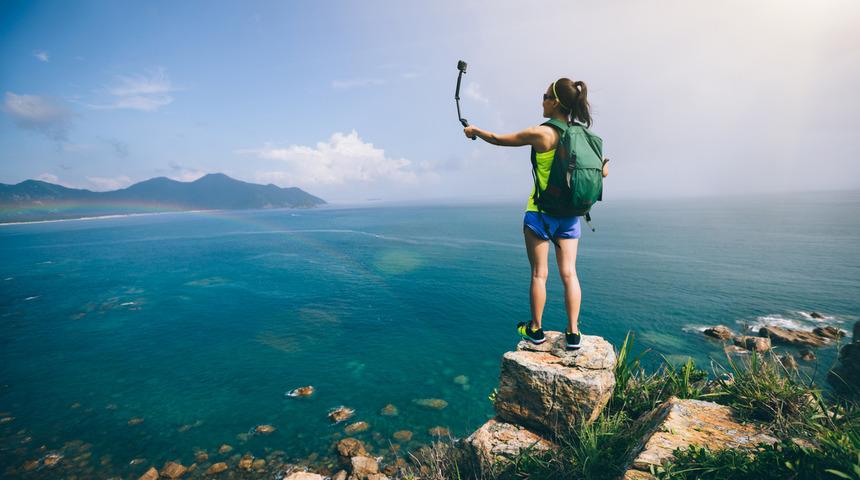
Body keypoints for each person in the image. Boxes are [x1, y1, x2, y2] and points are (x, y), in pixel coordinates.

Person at [463, 78, 606, 351]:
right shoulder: (584, 137)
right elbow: (602, 171)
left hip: (539, 214)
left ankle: (536, 330)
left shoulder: (542, 134)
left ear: (555, 102)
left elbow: (497, 139)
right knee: (569, 274)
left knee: (540, 274)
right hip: (570, 216)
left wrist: (475, 131)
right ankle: (573, 333)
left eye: (544, 96)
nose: (541, 101)